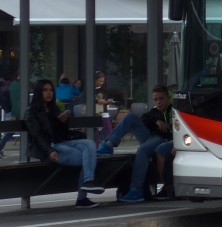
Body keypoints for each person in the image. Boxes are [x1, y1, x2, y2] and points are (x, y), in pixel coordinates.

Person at [24, 78, 104, 207]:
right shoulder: (31, 113)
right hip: (50, 148)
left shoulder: (54, 108)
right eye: (45, 90)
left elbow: (62, 134)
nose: (49, 93)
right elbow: (37, 136)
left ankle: (88, 182)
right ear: (39, 92)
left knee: (89, 144)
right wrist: (49, 151)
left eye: (50, 90)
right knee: (88, 157)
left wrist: (63, 121)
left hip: (63, 143)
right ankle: (82, 198)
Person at [96, 85, 174, 203]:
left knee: (142, 151)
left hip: (164, 138)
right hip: (152, 136)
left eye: (161, 98)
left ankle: (136, 190)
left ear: (168, 98)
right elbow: (145, 118)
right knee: (131, 117)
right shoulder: (155, 111)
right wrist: (156, 121)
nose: (158, 102)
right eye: (155, 99)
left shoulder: (174, 110)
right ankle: (109, 144)